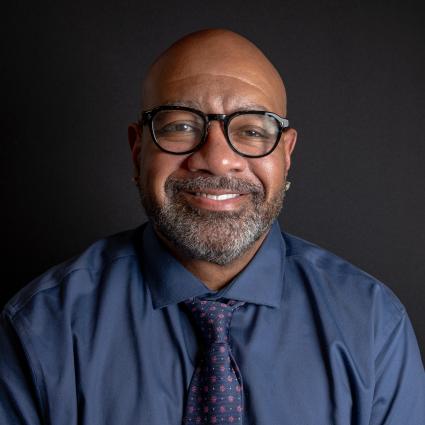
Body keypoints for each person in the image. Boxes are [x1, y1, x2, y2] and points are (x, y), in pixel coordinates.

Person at [0, 29, 424, 425]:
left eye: (252, 130)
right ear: (137, 151)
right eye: (181, 126)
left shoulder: (372, 325)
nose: (218, 159)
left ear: (287, 155)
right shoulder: (41, 328)